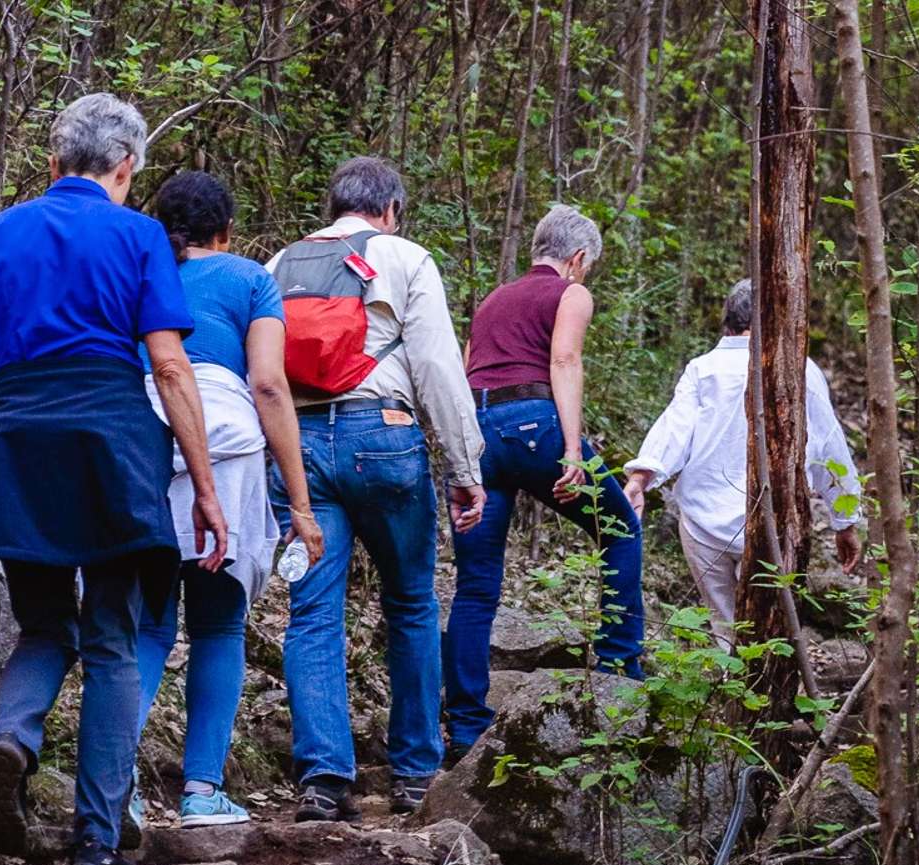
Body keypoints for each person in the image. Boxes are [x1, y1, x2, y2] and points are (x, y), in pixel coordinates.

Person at [0, 93, 227, 865]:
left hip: (14, 442)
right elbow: (168, 364)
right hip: (111, 447)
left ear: (53, 160)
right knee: (109, 640)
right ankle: (97, 843)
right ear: (126, 166)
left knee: (43, 628)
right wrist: (204, 487)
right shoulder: (139, 235)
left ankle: (13, 737)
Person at [265, 156, 485, 822]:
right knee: (413, 602)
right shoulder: (406, 258)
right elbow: (439, 369)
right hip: (382, 435)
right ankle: (416, 773)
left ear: (334, 205)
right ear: (391, 208)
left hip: (298, 445)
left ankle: (323, 780)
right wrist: (466, 468)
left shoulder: (279, 263)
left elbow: (264, 372)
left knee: (313, 613)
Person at [131, 170, 324, 828]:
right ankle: (201, 792)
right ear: (228, 230)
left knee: (147, 625)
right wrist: (298, 502)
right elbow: (269, 385)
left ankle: (112, 785)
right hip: (231, 452)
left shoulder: (139, 271)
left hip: (149, 444)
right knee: (217, 624)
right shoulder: (250, 280)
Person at [440, 205, 644, 764]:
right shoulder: (570, 294)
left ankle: (465, 726)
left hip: (477, 436)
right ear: (577, 260)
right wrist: (573, 451)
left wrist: (460, 457)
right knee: (620, 529)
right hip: (535, 427)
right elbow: (564, 359)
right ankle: (619, 668)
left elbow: (463, 375)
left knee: (476, 585)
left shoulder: (490, 301)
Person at [623, 279, 863, 645]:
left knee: (726, 627)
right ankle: (764, 695)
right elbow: (829, 448)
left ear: (728, 322)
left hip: (704, 521)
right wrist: (844, 521)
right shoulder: (801, 369)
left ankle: (732, 688)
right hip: (773, 522)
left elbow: (674, 428)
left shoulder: (704, 369)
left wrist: (640, 478)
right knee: (772, 631)